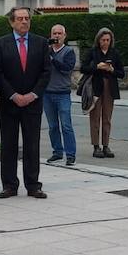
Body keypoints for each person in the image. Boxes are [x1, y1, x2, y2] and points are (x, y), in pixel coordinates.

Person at [0, 7, 51, 199]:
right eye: (20, 19)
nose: (24, 22)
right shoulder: (1, 43)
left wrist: (33, 94)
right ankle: (9, 185)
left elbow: (46, 72)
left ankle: (33, 185)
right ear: (11, 22)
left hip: (32, 103)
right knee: (9, 145)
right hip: (10, 102)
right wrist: (13, 95)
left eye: (27, 18)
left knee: (32, 145)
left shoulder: (41, 43)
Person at [81, 27, 125, 158]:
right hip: (95, 87)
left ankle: (106, 145)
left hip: (110, 88)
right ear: (98, 40)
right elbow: (83, 68)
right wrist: (96, 67)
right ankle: (96, 146)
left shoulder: (114, 53)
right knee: (95, 117)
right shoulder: (93, 52)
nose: (105, 42)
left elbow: (121, 73)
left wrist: (111, 69)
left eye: (108, 40)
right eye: (103, 40)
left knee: (107, 117)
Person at [43, 24, 78, 166]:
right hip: (47, 93)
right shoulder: (46, 51)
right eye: (54, 33)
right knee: (52, 126)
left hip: (62, 93)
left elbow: (66, 69)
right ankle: (57, 152)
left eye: (59, 33)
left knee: (66, 125)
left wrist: (52, 57)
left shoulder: (69, 52)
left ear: (64, 36)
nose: (57, 36)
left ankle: (70, 154)